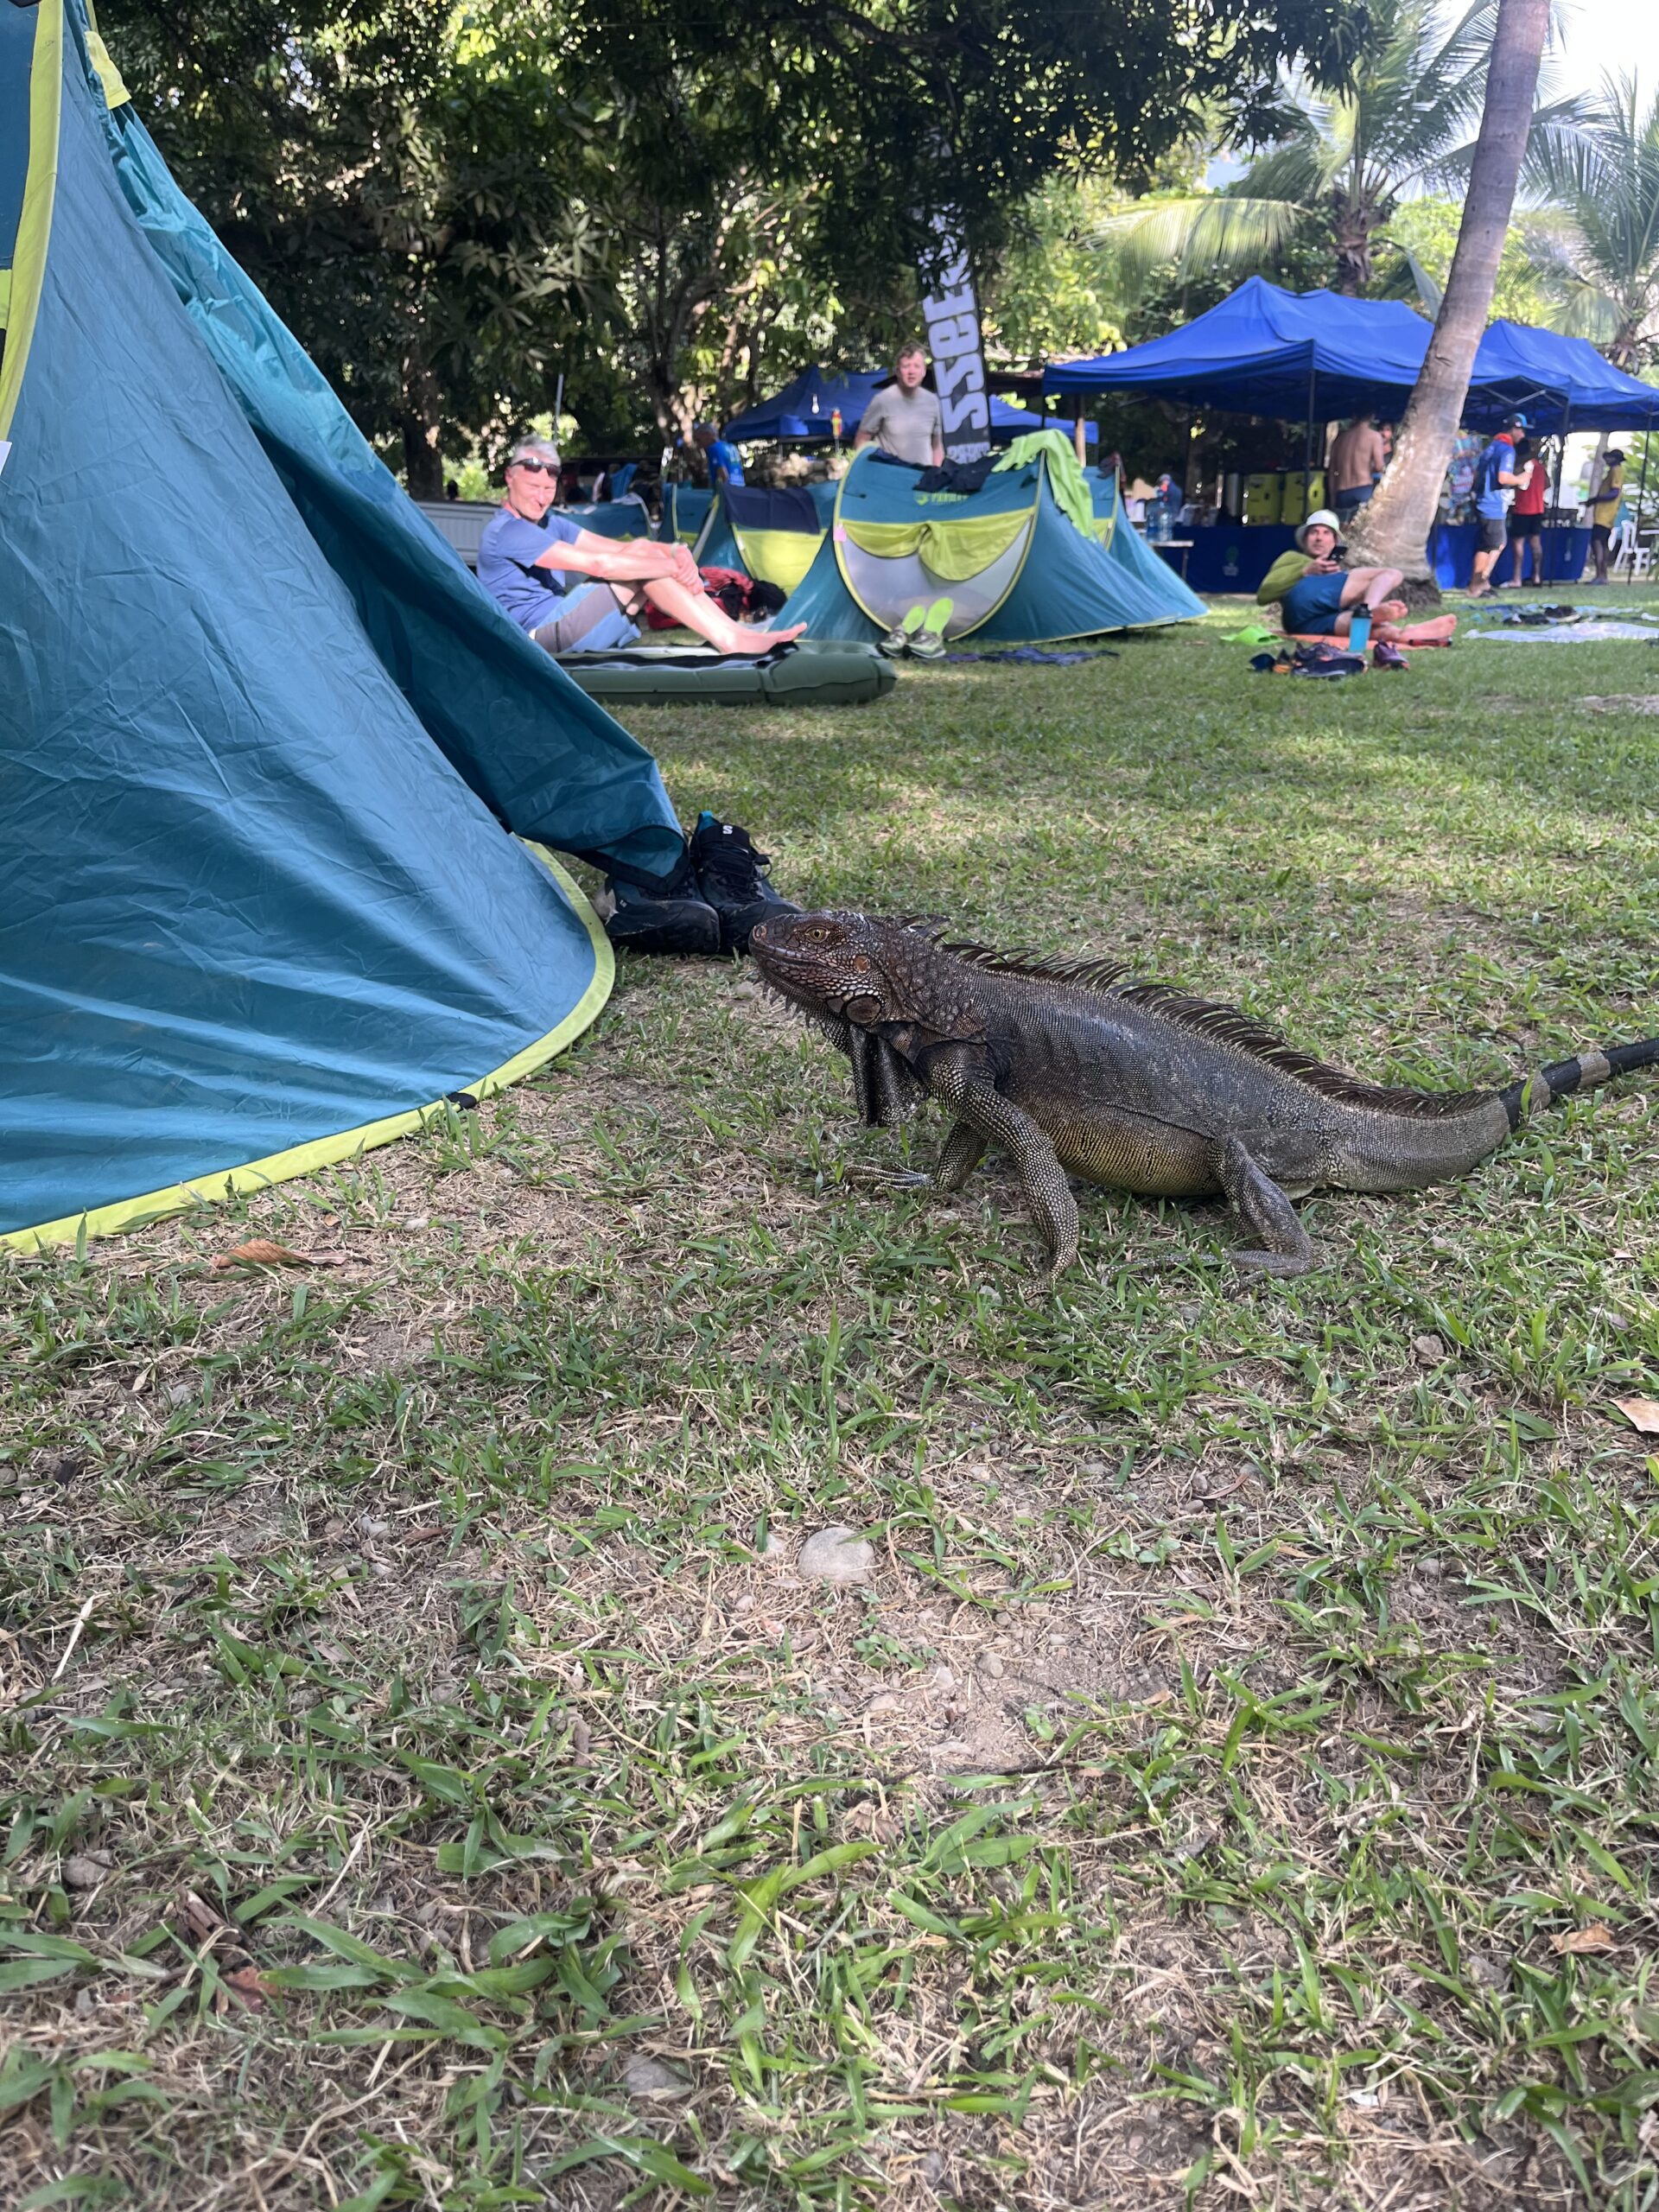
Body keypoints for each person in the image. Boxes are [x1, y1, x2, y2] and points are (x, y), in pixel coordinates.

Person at [477, 438, 804, 656]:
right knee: (644, 567)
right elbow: (600, 565)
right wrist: (672, 567)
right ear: (509, 478)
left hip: (564, 625)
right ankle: (732, 638)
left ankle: (735, 633)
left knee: (642, 554)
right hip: (536, 640)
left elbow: (622, 548)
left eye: (548, 489)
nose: (541, 498)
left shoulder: (550, 522)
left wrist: (675, 552)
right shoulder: (508, 531)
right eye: (533, 487)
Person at [1256, 510, 1457, 657]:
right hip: (1299, 605)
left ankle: (1404, 633)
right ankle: (1368, 610)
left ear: (1334, 542)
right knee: (1391, 574)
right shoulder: (1292, 558)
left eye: (1326, 533)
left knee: (1373, 629)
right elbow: (1264, 595)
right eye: (1314, 532)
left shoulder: (1336, 573)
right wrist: (1305, 571)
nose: (1319, 538)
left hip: (1308, 625)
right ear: (1305, 538)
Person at [1466, 413, 1529, 596]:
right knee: (1490, 546)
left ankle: (1483, 582)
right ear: (1514, 429)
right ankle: (1476, 585)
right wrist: (1521, 479)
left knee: (1494, 543)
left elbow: (1477, 475)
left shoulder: (1491, 447)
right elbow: (1503, 477)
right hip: (1492, 504)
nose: (1523, 435)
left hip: (1484, 500)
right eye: (1521, 430)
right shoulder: (1507, 450)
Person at [854, 343, 944, 467]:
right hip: (890, 474)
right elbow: (862, 438)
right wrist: (865, 469)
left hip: (922, 475)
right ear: (898, 371)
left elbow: (936, 445)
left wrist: (937, 472)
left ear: (924, 371)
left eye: (917, 366)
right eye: (906, 366)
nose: (911, 372)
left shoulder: (933, 401)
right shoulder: (882, 400)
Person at [1329, 410, 1388, 521]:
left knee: (1343, 527)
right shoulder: (1374, 437)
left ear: (1354, 416)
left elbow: (1331, 472)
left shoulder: (1340, 439)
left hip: (1342, 492)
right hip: (1363, 489)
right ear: (1372, 416)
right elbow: (1379, 466)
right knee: (1363, 528)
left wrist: (1333, 497)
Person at [1505, 435, 1547, 587]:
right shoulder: (1540, 467)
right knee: (1536, 543)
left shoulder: (1521, 466)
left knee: (1518, 544)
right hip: (1538, 509)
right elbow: (1547, 484)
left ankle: (1517, 578)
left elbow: (1511, 482)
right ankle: (1537, 576)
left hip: (1522, 509)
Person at [1585, 448, 1626, 584]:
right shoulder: (1612, 472)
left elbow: (1614, 492)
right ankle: (1603, 575)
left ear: (1615, 459)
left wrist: (1597, 499)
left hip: (1604, 515)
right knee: (1602, 543)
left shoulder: (1616, 471)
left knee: (1597, 542)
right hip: (1604, 514)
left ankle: (1600, 575)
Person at [692, 423, 745, 489]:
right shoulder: (732, 447)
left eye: (699, 440)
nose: (698, 445)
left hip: (728, 491)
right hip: (740, 488)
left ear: (707, 435)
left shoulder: (714, 449)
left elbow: (723, 476)